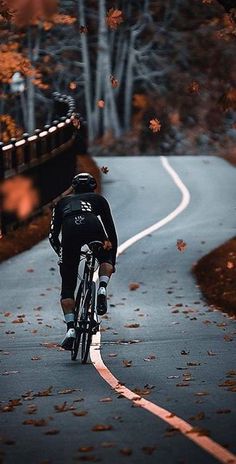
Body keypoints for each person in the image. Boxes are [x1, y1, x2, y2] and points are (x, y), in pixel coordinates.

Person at [49, 172, 118, 350]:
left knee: (68, 287)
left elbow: (53, 236)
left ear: (74, 187)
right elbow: (111, 231)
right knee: (104, 257)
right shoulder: (98, 199)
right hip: (92, 225)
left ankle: (71, 329)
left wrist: (62, 255)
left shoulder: (61, 203)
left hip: (70, 231)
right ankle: (102, 288)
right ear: (93, 186)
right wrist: (111, 259)